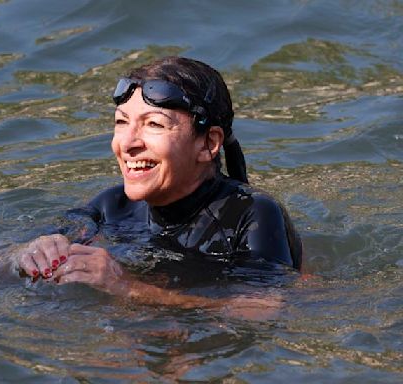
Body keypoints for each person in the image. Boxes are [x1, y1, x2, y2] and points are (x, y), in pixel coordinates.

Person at [15, 56, 302, 319]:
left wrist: (125, 287)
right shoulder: (112, 206)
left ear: (208, 144)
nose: (127, 144)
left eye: (153, 124)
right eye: (121, 122)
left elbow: (263, 310)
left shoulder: (250, 215)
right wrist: (28, 253)